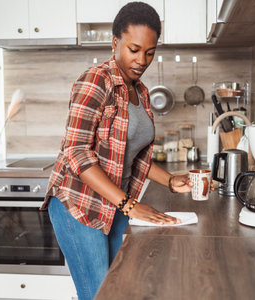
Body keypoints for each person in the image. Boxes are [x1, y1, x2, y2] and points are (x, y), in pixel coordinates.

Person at [40, 2, 191, 300]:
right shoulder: (97, 80)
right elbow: (77, 151)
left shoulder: (140, 91)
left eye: (150, 52)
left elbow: (132, 156)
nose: (142, 60)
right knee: (99, 294)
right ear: (115, 43)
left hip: (115, 204)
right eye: (134, 49)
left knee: (121, 288)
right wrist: (131, 205)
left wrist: (171, 181)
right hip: (80, 205)